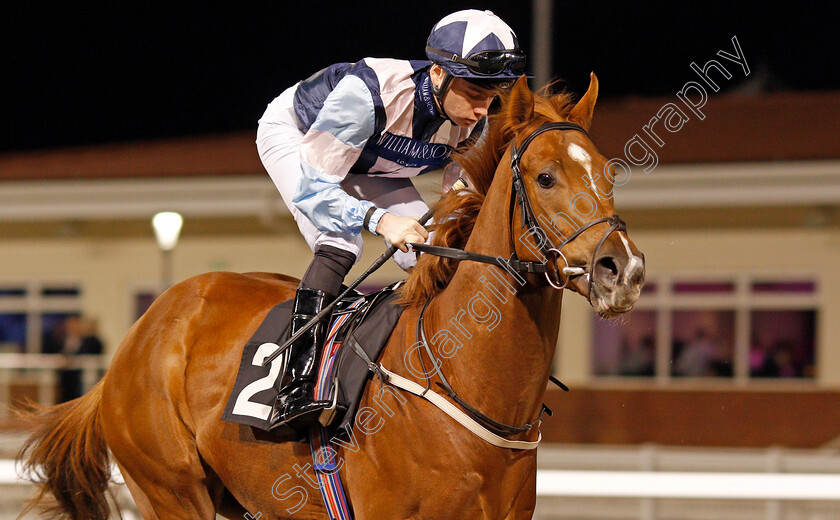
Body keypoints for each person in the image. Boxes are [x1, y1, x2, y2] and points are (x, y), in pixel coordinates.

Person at [256, 9, 529, 430]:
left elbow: (457, 209)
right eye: (475, 93)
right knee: (342, 238)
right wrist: (381, 221)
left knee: (431, 249)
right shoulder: (368, 94)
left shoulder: (472, 124)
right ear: (437, 73)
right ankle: (295, 382)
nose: (481, 110)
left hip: (371, 163)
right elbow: (316, 191)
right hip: (300, 140)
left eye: (492, 97)